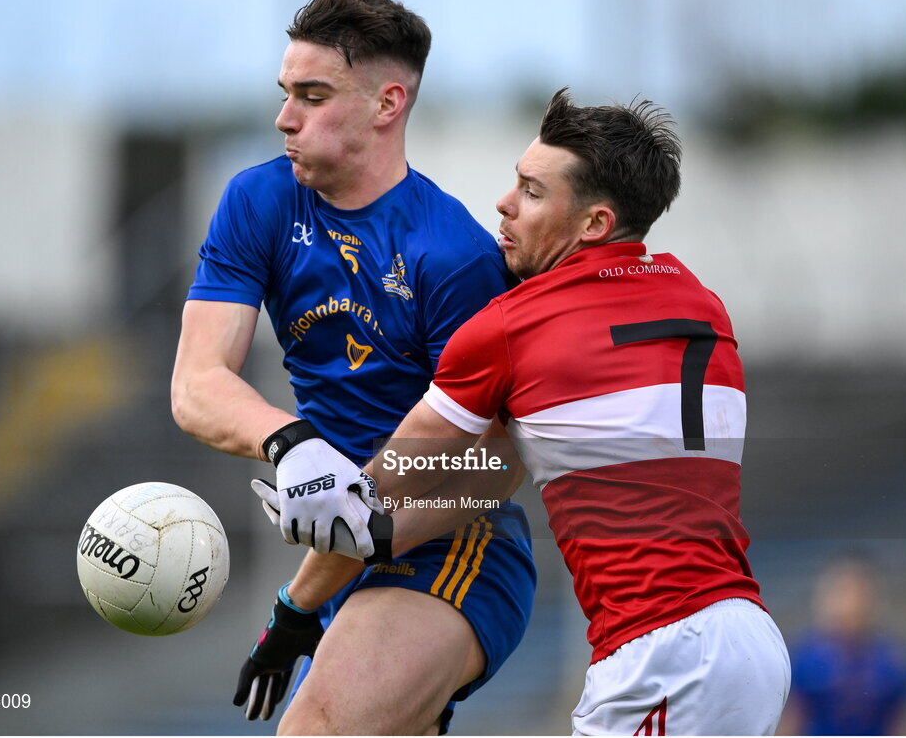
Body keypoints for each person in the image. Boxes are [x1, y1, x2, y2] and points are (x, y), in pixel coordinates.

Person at [261, 89, 792, 735]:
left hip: (664, 648)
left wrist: (317, 492)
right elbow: (511, 456)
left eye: (532, 192)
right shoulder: (700, 299)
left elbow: (393, 472)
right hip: (747, 637)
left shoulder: (514, 326)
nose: (503, 204)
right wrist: (375, 530)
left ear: (593, 224)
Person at [170, 0, 535, 735]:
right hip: (343, 547)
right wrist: (291, 443)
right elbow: (196, 385)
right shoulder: (260, 201)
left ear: (386, 103)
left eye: (313, 95)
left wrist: (319, 574)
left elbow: (497, 465)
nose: (285, 118)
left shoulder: (454, 254)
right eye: (285, 93)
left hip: (448, 546)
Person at [780, 553, 906, 735]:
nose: (851, 603)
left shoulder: (897, 661)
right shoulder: (802, 658)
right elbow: (789, 722)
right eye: (842, 591)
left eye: (859, 592)